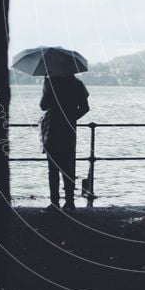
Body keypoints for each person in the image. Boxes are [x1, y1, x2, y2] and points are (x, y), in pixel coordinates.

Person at [40, 74, 89, 212]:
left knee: (53, 169)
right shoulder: (78, 84)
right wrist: (71, 117)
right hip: (69, 130)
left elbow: (43, 106)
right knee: (68, 166)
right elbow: (85, 108)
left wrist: (46, 87)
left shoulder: (51, 83)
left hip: (53, 128)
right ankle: (70, 202)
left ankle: (54, 202)